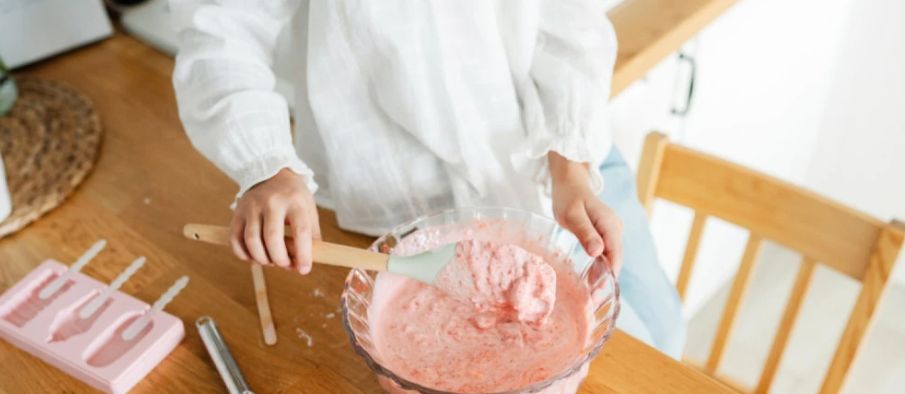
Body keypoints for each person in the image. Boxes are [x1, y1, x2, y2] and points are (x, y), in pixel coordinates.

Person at [171, 0, 685, 356]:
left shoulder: (569, 157)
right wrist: (268, 167)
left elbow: (567, 20)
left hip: (557, 156)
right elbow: (221, 29)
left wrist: (570, 164)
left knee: (664, 334)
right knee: (631, 373)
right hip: (401, 192)